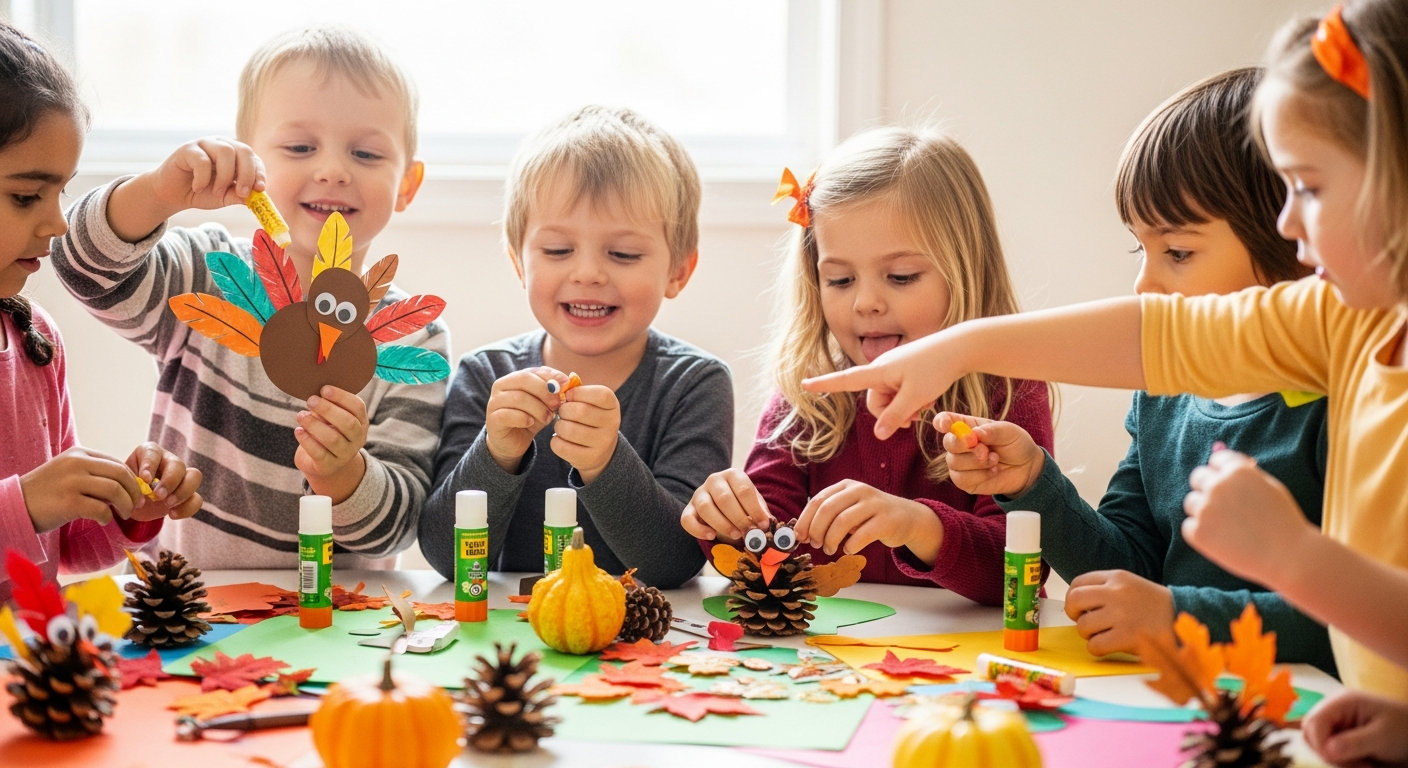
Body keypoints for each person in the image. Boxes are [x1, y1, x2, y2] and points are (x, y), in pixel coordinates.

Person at [802, 3, 1408, 748]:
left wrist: (1260, 574)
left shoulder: (1330, 364)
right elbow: (1127, 551)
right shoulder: (1336, 333)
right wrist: (1034, 483)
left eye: (1309, 190)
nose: (1291, 222)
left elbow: (1332, 619)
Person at [939, 68, 1334, 671]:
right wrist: (1033, 483)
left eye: (1178, 252)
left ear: (1288, 241)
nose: (1144, 284)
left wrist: (1178, 619)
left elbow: (1354, 622)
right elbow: (1124, 572)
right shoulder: (1163, 399)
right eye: (1139, 249)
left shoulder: (1337, 409)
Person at [51, 26, 446, 568]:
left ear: (408, 184)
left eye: (366, 153)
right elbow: (79, 262)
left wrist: (344, 475)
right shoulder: (210, 273)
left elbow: (397, 530)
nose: (332, 169)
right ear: (250, 161)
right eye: (300, 147)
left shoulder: (413, 336)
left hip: (338, 622)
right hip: (195, 611)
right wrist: (160, 193)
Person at [681, 126, 1052, 605]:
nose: (866, 302)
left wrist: (914, 524)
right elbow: (764, 552)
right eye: (840, 279)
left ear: (966, 270)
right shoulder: (807, 392)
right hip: (823, 662)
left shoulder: (1007, 390)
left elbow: (1019, 570)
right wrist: (728, 523)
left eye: (900, 277)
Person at [419, 106, 731, 589]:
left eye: (623, 254)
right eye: (558, 251)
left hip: (644, 645)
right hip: (512, 642)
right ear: (517, 262)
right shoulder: (485, 376)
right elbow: (444, 557)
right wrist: (496, 453)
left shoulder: (694, 384)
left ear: (678, 272)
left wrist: (606, 462)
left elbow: (677, 561)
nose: (587, 273)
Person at [0, 21, 201, 602]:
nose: (58, 223)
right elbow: (30, 511)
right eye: (24, 196)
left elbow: (62, 548)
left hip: (33, 665)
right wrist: (29, 500)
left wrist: (131, 507)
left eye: (61, 193)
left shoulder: (35, 339)